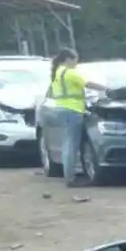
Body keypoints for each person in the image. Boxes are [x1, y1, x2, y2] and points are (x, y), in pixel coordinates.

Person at [44, 50, 90, 187]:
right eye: (76, 60)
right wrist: (106, 89)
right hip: (73, 110)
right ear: (69, 59)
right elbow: (87, 84)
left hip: (62, 110)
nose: (76, 63)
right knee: (71, 145)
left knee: (67, 144)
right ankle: (71, 178)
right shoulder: (70, 72)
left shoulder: (58, 72)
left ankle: (69, 175)